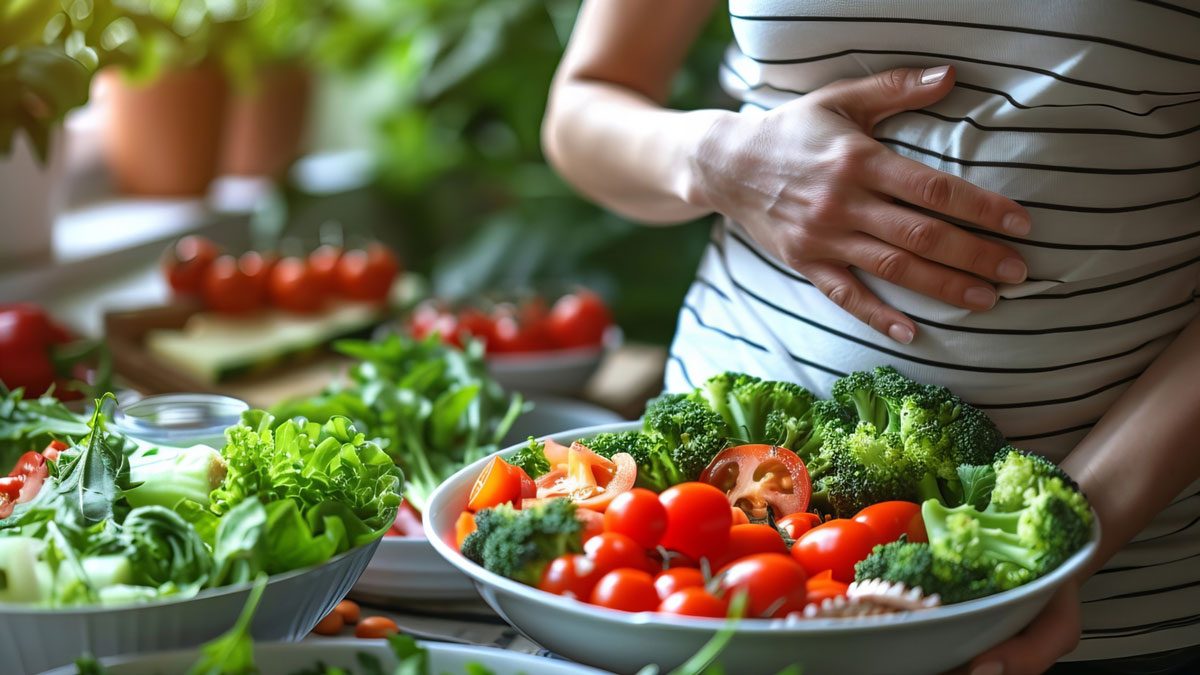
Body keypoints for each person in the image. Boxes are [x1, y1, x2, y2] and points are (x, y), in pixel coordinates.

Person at [541, 2, 1200, 674]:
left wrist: (1062, 543)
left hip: (1113, 597)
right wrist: (720, 159)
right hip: (691, 554)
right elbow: (583, 106)